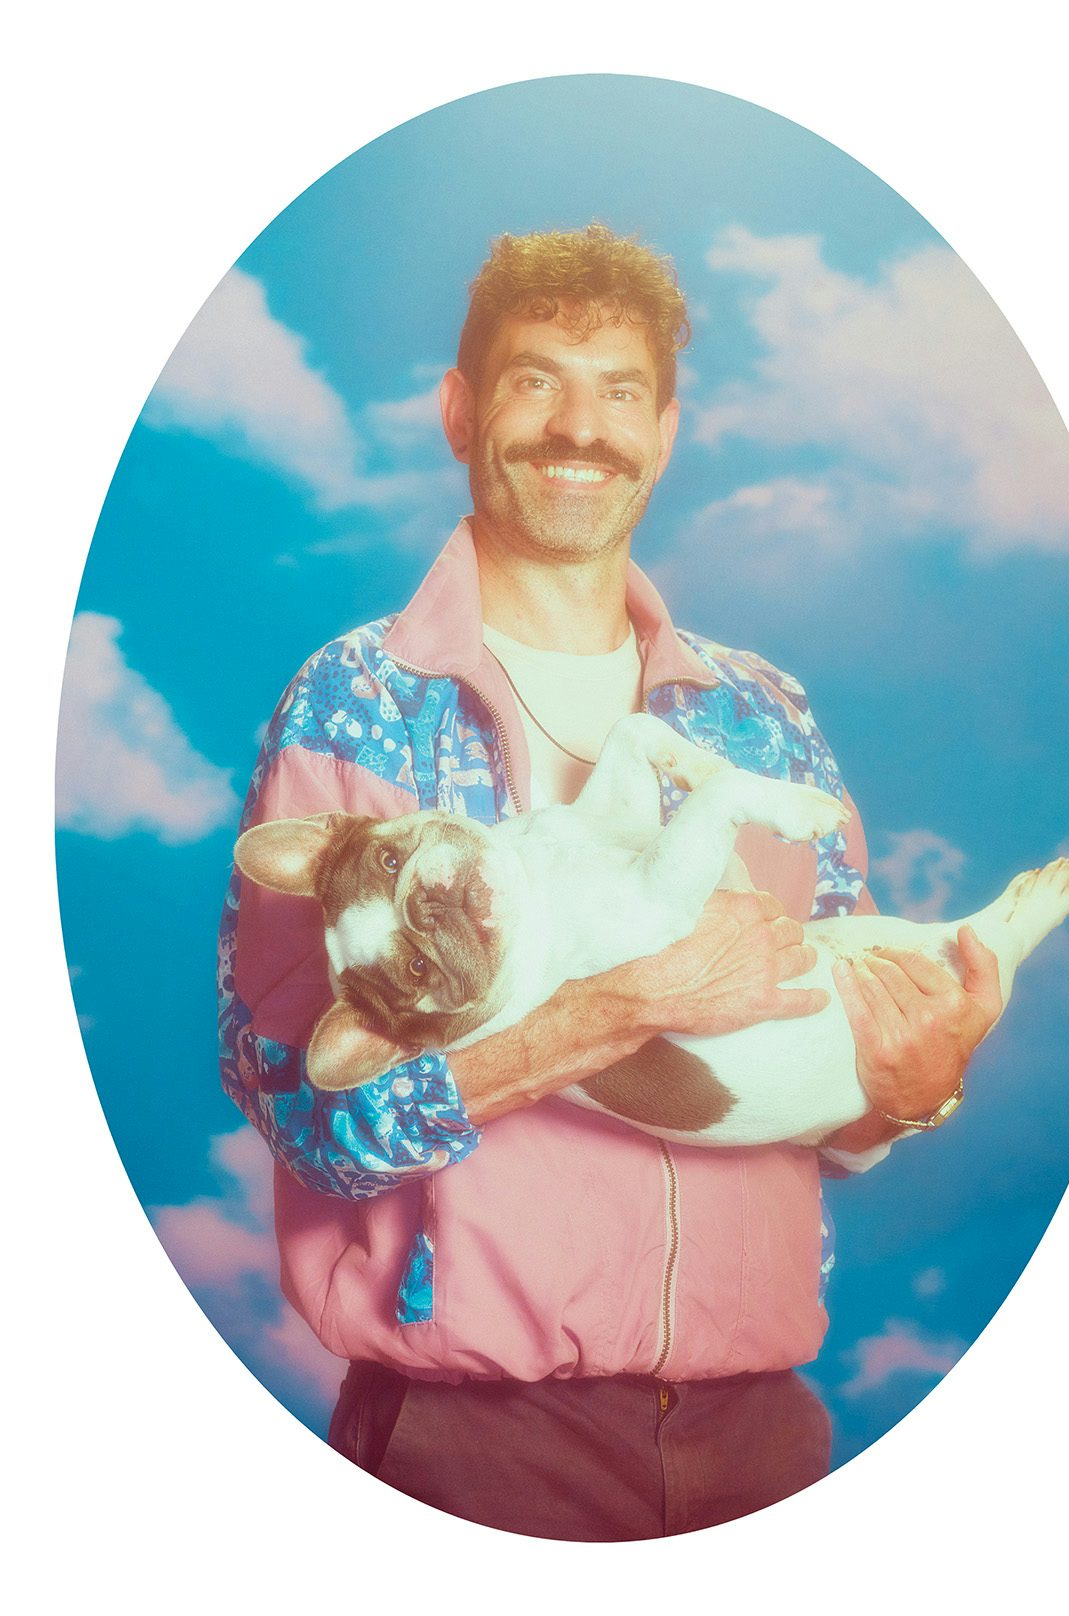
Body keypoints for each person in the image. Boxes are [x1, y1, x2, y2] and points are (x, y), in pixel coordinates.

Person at [218, 223, 1003, 1540]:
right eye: (536, 380)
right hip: (474, 1452)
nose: (580, 427)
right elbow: (308, 1113)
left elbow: (838, 1051)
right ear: (460, 410)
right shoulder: (356, 705)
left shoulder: (766, 718)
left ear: (668, 428)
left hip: (765, 1436)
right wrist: (609, 1010)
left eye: (620, 390)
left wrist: (907, 1097)